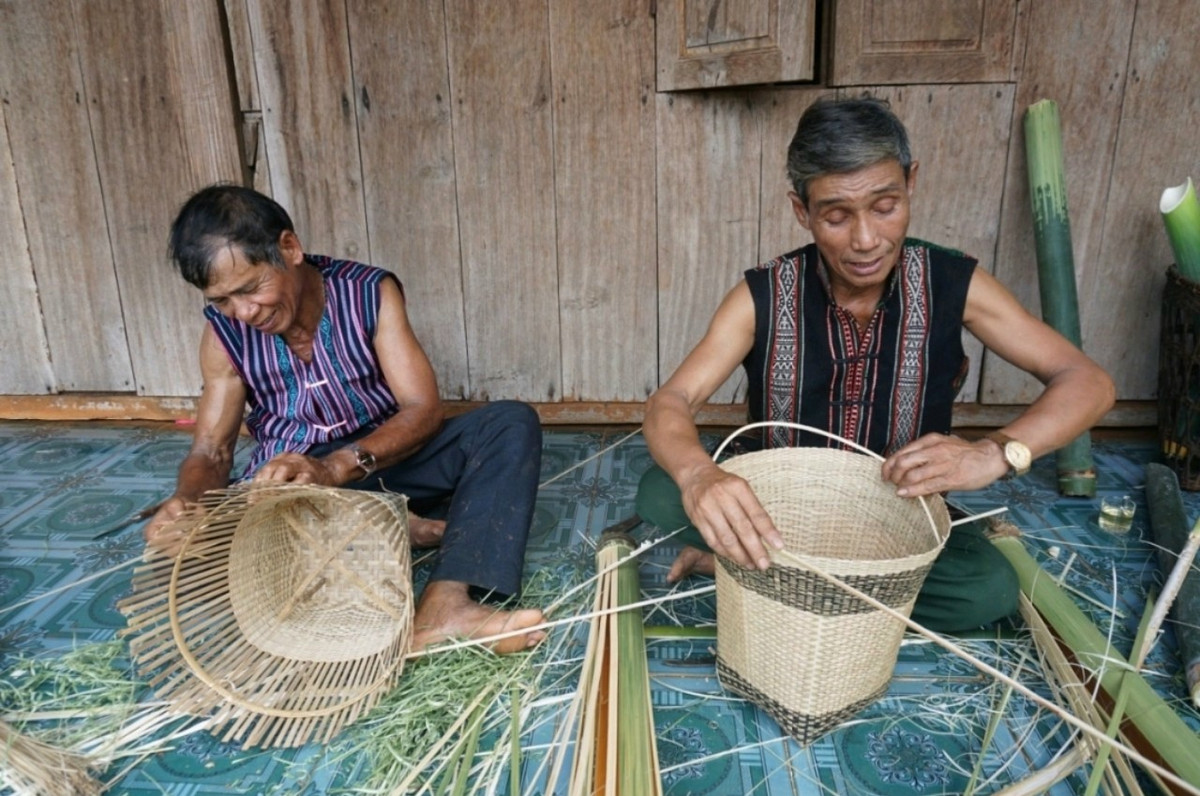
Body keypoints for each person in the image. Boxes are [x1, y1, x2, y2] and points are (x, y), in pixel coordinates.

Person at [636, 96, 1115, 632]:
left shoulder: (955, 284)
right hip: (781, 513)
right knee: (661, 488)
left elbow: (1088, 382)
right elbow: (669, 402)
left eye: (885, 207)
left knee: (988, 592)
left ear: (911, 184)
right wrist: (701, 476)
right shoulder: (763, 294)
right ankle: (803, 578)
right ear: (803, 211)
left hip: (893, 521)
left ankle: (755, 574)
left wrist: (997, 451)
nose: (865, 241)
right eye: (837, 216)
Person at [145, 184, 546, 654]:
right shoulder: (223, 336)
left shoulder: (368, 292)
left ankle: (444, 604)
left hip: (380, 457)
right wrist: (188, 501)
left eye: (251, 288)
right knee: (220, 547)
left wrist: (338, 466)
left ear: (289, 248)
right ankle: (394, 525)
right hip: (295, 487)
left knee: (509, 423)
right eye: (223, 301)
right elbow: (211, 450)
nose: (244, 312)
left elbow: (423, 409)